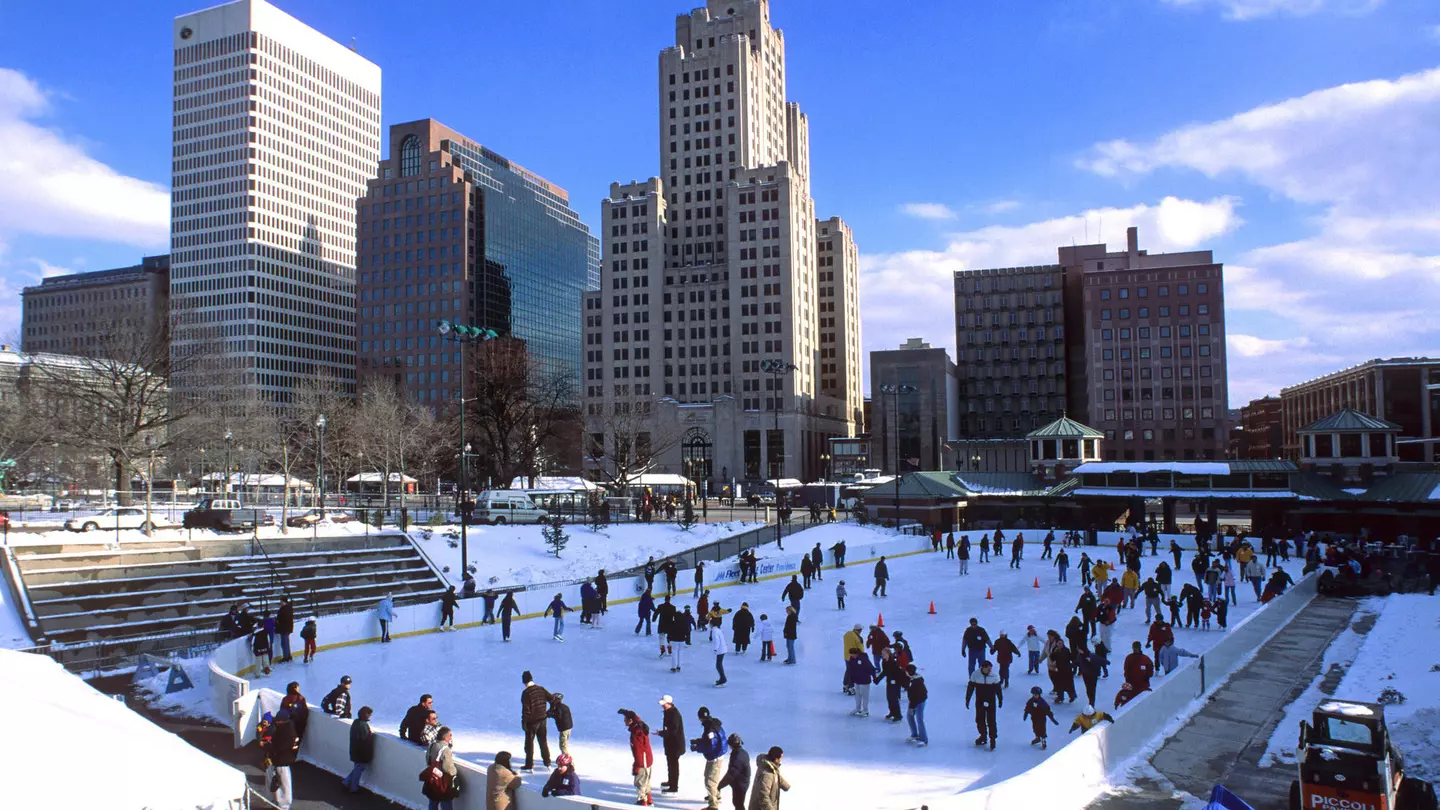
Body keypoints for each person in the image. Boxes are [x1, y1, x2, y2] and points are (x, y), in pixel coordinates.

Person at [692, 707, 729, 809]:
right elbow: (709, 741)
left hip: (715, 757)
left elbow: (711, 745)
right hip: (715, 755)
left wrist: (697, 748)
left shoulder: (710, 728)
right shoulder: (712, 724)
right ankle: (715, 795)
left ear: (700, 717)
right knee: (708, 776)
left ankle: (713, 805)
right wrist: (698, 741)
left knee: (710, 781)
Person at [966, 659, 1003, 750]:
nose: (990, 671)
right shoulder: (975, 675)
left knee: (991, 721)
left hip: (991, 701)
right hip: (980, 701)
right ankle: (983, 736)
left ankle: (993, 739)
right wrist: (967, 699)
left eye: (991, 669)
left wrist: (1000, 700)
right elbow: (970, 688)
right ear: (983, 668)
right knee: (979, 720)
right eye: (988, 669)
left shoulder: (994, 676)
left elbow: (998, 689)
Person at [266, 708, 300, 809]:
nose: (277, 722)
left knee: (284, 785)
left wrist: (270, 748)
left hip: (282, 762)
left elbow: (280, 747)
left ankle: (283, 805)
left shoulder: (286, 733)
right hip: (280, 761)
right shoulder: (287, 729)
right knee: (279, 783)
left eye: (279, 720)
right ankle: (277, 802)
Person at [521, 671, 553, 771]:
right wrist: (549, 712)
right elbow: (553, 699)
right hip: (543, 720)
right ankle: (547, 762)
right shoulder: (541, 689)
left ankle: (529, 764)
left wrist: (524, 722)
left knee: (529, 744)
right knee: (543, 742)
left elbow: (526, 711)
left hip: (532, 722)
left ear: (524, 682)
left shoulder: (526, 693)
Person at [622, 710, 655, 806]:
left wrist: (636, 767)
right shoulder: (639, 727)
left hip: (643, 761)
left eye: (625, 719)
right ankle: (649, 799)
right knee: (646, 780)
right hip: (647, 759)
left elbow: (638, 752)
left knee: (640, 781)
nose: (624, 721)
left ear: (630, 720)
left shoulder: (636, 734)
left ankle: (642, 801)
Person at [423, 726, 459, 810]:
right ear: (445, 737)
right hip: (443, 782)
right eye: (450, 735)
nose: (451, 737)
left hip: (432, 779)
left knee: (433, 802)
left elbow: (428, 760)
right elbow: (448, 768)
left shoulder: (432, 745)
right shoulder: (445, 750)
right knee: (446, 804)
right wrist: (455, 772)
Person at [656, 695, 685, 793]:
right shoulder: (668, 712)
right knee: (670, 764)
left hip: (675, 745)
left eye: (664, 704)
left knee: (673, 766)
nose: (662, 705)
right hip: (670, 744)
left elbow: (673, 731)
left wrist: (661, 733)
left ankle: (674, 787)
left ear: (669, 703)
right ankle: (671, 782)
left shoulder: (674, 714)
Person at [343, 705, 374, 793]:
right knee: (359, 769)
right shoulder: (362, 725)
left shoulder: (356, 722)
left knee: (357, 768)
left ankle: (346, 782)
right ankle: (353, 788)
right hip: (361, 753)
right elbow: (364, 740)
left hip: (356, 751)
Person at [718, 733, 751, 810]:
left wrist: (720, 786)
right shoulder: (742, 752)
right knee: (737, 803)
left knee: (738, 804)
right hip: (741, 782)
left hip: (741, 784)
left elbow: (731, 775)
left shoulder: (738, 757)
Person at [879, 647, 909, 721]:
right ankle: (892, 712)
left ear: (888, 654)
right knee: (889, 698)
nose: (882, 655)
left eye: (883, 653)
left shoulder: (893, 662)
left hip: (895, 683)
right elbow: (885, 671)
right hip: (889, 682)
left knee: (894, 699)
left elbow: (898, 673)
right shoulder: (884, 661)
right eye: (882, 653)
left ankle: (898, 715)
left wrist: (901, 683)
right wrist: (877, 679)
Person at [905, 664, 929, 746]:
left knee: (919, 719)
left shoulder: (915, 682)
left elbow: (915, 696)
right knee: (909, 716)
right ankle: (914, 734)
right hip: (914, 700)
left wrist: (911, 708)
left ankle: (924, 739)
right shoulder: (911, 679)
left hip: (920, 701)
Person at [276, 595, 295, 662]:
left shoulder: (285, 609)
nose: (280, 602)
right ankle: (288, 655)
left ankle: (286, 656)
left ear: (283, 601)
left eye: (281, 601)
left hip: (284, 628)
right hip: (286, 627)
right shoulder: (288, 608)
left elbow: (284, 618)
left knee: (284, 643)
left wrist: (278, 621)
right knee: (285, 642)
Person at [711, 618, 729, 686]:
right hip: (722, 649)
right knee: (719, 665)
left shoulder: (715, 631)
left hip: (720, 649)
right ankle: (722, 678)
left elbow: (716, 640)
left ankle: (723, 678)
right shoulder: (717, 630)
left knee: (718, 665)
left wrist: (715, 649)